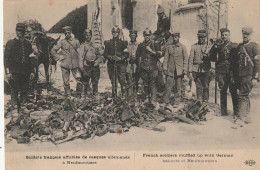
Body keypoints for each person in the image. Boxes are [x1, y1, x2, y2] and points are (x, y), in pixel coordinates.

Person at [232, 26, 260, 126]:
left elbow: (257, 63)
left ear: (251, 35)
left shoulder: (255, 46)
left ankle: (240, 118)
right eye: (243, 34)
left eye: (247, 34)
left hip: (249, 75)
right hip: (240, 76)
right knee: (245, 95)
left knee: (242, 96)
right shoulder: (240, 46)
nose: (245, 36)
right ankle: (247, 115)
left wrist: (255, 77)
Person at [4, 23, 35, 109]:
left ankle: (24, 106)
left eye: (22, 31)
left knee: (24, 89)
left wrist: (32, 71)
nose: (20, 32)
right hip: (14, 72)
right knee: (14, 90)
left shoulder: (28, 44)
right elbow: (6, 59)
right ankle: (14, 107)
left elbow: (31, 58)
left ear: (24, 32)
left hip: (26, 71)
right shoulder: (10, 43)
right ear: (16, 31)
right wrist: (8, 72)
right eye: (18, 31)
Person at [209, 28, 238, 116]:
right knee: (222, 90)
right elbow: (212, 58)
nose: (224, 37)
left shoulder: (234, 46)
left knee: (233, 91)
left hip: (231, 71)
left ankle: (236, 112)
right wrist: (214, 47)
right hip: (221, 71)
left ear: (229, 36)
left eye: (226, 35)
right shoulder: (218, 46)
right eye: (223, 35)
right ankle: (223, 111)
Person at [51, 26, 81, 96]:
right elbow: (53, 51)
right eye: (65, 33)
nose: (67, 34)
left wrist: (80, 62)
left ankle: (79, 93)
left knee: (78, 79)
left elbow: (80, 52)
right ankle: (68, 95)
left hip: (75, 64)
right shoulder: (61, 42)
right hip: (65, 64)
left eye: (68, 32)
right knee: (66, 81)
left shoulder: (76, 41)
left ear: (71, 32)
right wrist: (58, 57)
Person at [136, 28, 162, 105]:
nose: (147, 37)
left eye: (148, 35)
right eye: (145, 35)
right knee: (145, 84)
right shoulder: (141, 45)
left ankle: (153, 99)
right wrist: (140, 66)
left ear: (151, 36)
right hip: (144, 67)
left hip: (153, 67)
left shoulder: (155, 44)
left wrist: (151, 51)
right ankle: (147, 98)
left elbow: (159, 55)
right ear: (143, 36)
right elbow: (138, 56)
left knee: (153, 84)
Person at [162, 31, 188, 107]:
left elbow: (185, 59)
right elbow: (166, 58)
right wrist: (164, 67)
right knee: (168, 86)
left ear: (179, 37)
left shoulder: (183, 47)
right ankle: (166, 101)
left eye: (176, 37)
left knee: (178, 87)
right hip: (170, 69)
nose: (174, 38)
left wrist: (185, 69)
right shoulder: (169, 47)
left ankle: (176, 102)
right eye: (173, 37)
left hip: (179, 70)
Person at [103, 26, 128, 98]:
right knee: (113, 81)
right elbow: (105, 54)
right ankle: (114, 96)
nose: (115, 34)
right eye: (113, 32)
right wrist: (111, 57)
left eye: (116, 32)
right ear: (112, 33)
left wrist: (120, 58)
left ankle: (124, 95)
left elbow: (127, 54)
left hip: (121, 64)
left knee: (122, 80)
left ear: (119, 33)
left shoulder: (123, 43)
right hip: (111, 64)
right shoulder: (108, 43)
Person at [79, 28, 104, 98]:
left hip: (95, 66)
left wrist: (98, 54)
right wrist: (81, 67)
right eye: (86, 35)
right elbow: (80, 57)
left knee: (95, 81)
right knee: (85, 82)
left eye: (89, 35)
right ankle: (83, 95)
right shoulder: (83, 45)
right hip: (87, 65)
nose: (88, 36)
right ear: (85, 36)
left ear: (91, 36)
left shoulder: (95, 45)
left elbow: (102, 52)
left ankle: (95, 95)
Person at [188, 30, 212, 102]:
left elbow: (212, 58)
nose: (201, 39)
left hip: (205, 69)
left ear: (205, 38)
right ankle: (199, 100)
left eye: (203, 37)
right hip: (196, 69)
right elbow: (191, 59)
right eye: (200, 37)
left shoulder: (209, 47)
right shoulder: (194, 47)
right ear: (198, 37)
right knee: (198, 86)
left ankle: (205, 101)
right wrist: (190, 70)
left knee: (206, 86)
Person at [126, 30, 139, 100]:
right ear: (130, 36)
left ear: (136, 36)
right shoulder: (127, 45)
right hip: (129, 65)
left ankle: (135, 95)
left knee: (136, 81)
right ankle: (130, 96)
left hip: (136, 66)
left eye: (134, 35)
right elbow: (125, 55)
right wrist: (129, 59)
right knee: (129, 81)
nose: (133, 37)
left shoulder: (139, 45)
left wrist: (136, 59)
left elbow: (140, 55)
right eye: (131, 35)